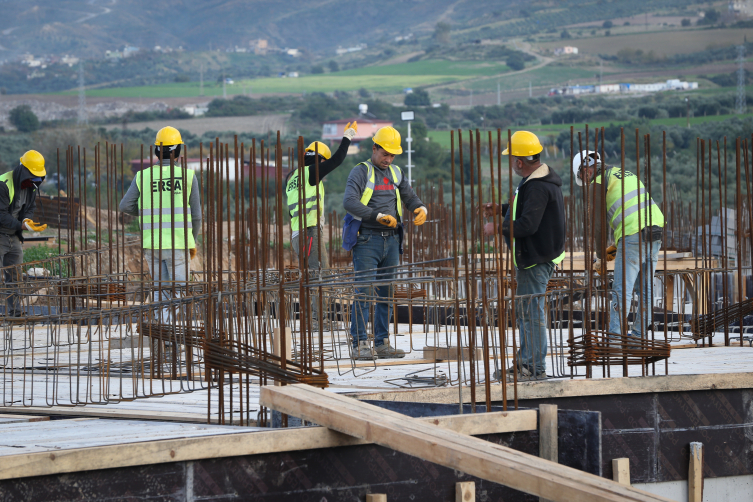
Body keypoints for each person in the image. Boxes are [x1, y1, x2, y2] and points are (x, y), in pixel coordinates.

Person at [484, 131, 566, 380]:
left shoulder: (538, 186)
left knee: (531, 313)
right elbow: (528, 209)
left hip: (535, 258)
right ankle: (526, 362)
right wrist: (502, 210)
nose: (512, 164)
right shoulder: (537, 181)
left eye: (512, 159)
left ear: (519, 161)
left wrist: (497, 227)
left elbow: (528, 224)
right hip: (535, 256)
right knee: (527, 311)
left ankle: (533, 367)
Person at [343, 126, 427, 360]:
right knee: (364, 291)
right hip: (367, 239)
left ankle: (381, 343)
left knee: (386, 293)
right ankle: (360, 343)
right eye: (385, 154)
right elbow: (349, 201)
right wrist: (376, 216)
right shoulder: (361, 172)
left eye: (392, 155)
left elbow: (409, 196)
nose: (388, 159)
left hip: (392, 240)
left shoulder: (397, 173)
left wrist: (420, 207)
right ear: (374, 149)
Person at [573, 150, 664, 343]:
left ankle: (614, 339)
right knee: (645, 289)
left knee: (622, 289)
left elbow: (598, 227)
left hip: (634, 233)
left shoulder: (598, 182)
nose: (586, 183)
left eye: (583, 177)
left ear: (586, 170)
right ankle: (639, 338)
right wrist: (611, 253)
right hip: (654, 230)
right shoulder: (622, 173)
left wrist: (599, 258)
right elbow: (630, 220)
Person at [119, 126, 202, 323]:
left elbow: (124, 206)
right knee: (178, 292)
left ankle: (163, 332)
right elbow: (197, 216)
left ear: (157, 151)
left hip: (153, 244)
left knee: (159, 291)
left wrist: (146, 211)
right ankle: (172, 336)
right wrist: (193, 241)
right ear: (177, 151)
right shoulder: (187, 176)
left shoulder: (143, 176)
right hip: (178, 244)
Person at [285, 122, 357, 330]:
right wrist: (347, 137)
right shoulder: (310, 173)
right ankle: (316, 321)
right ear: (319, 160)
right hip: (310, 232)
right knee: (320, 274)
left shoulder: (292, 176)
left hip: (298, 233)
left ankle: (313, 319)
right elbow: (337, 160)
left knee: (310, 275)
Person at [0, 150, 48, 317]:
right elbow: (1, 214)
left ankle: (15, 311)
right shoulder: (4, 184)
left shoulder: (31, 186)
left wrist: (27, 220)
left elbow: (30, 208)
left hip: (12, 235)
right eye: (32, 177)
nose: (35, 181)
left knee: (15, 275)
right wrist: (22, 226)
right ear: (24, 171)